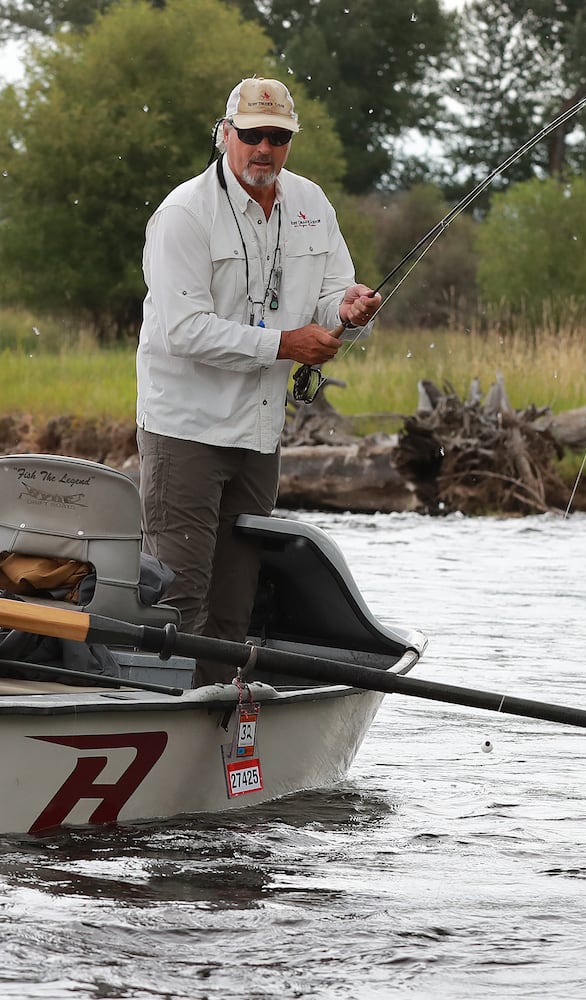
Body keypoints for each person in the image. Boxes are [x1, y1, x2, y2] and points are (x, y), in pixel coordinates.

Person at [136, 76, 381, 687]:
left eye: (278, 137)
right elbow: (183, 331)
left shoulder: (312, 204)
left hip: (259, 434)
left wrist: (346, 311)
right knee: (178, 595)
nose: (264, 148)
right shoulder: (183, 215)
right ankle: (163, 714)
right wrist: (285, 344)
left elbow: (330, 295)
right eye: (251, 135)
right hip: (185, 429)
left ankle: (216, 716)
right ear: (226, 135)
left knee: (234, 605)